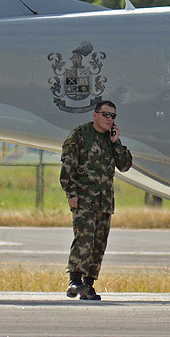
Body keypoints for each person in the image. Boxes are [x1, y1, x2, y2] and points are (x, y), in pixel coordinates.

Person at [60, 99, 133, 301]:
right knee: (84, 238)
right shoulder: (80, 135)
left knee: (99, 243)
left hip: (104, 202)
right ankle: (74, 279)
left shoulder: (110, 140)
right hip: (84, 200)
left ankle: (88, 285)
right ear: (95, 115)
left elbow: (125, 165)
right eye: (106, 115)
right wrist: (71, 193)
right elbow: (68, 167)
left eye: (113, 116)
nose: (110, 119)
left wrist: (116, 142)